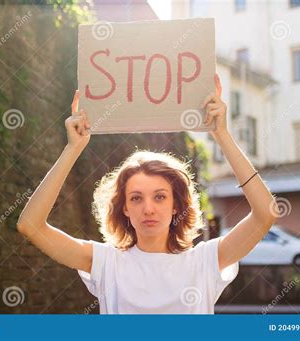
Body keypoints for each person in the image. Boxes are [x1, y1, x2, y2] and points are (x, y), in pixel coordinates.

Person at [17, 74, 278, 314]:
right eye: (136, 198)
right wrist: (72, 149)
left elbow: (265, 214)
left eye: (160, 197)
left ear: (177, 205)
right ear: (125, 208)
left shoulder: (204, 261)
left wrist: (222, 135)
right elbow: (30, 225)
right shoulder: (106, 263)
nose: (148, 209)